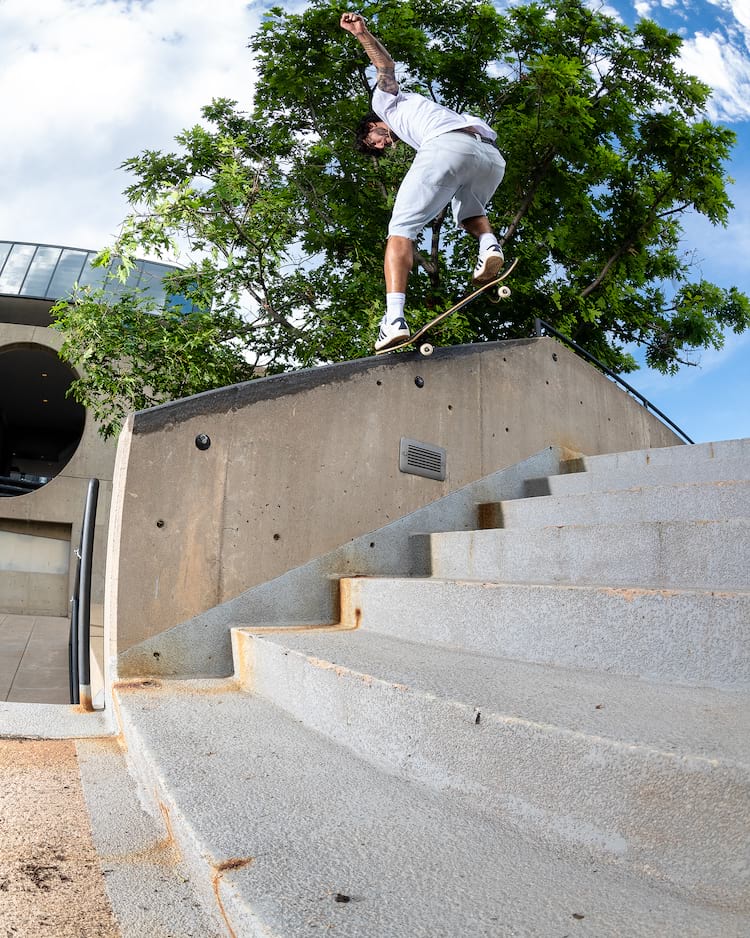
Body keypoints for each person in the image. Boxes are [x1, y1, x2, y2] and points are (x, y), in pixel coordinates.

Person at [340, 11, 506, 351]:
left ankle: (394, 319)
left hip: (446, 146)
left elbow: (385, 68)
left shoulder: (384, 103)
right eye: (380, 148)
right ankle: (489, 245)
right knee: (468, 209)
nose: (384, 144)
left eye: (377, 140)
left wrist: (362, 34)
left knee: (400, 230)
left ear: (373, 124)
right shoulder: (422, 109)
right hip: (488, 155)